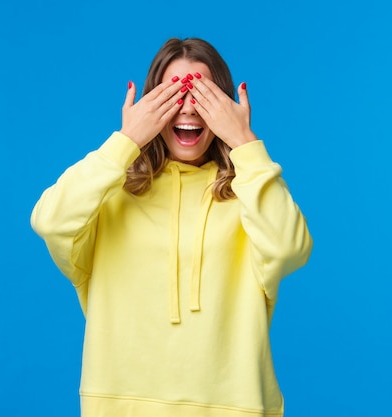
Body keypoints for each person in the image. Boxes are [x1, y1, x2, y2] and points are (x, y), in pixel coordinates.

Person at [31, 37, 313, 417]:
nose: (189, 109)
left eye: (203, 93)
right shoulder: (111, 194)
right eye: (173, 94)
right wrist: (126, 140)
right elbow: (50, 221)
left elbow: (290, 248)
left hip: (236, 407)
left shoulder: (250, 195)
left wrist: (244, 141)